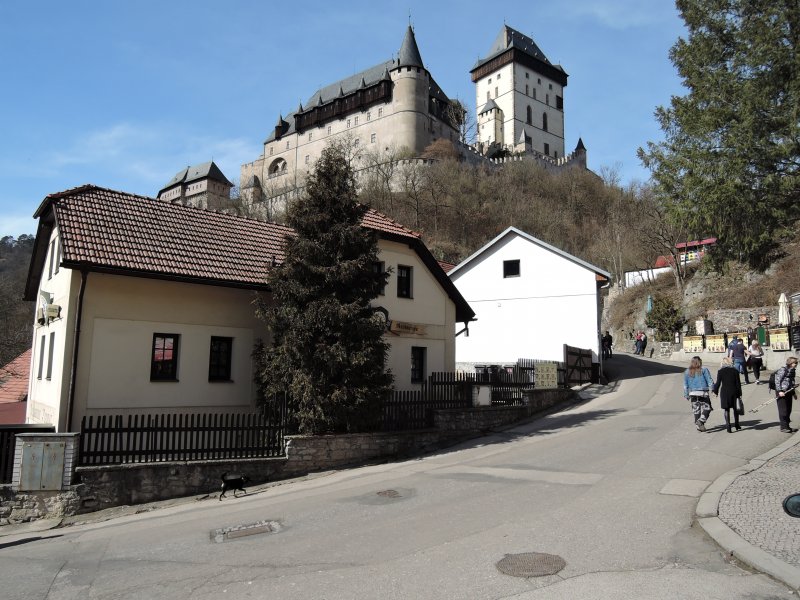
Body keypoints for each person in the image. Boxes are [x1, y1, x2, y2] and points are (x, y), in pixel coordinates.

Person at [684, 356, 715, 432]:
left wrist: (686, 394)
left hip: (693, 394)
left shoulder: (687, 371)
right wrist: (713, 389)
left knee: (696, 410)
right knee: (707, 408)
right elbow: (709, 380)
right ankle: (701, 421)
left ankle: (698, 426)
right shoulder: (704, 370)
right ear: (699, 362)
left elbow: (685, 385)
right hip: (703, 393)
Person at [713, 357, 742, 432]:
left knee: (726, 409)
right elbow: (738, 384)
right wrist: (740, 394)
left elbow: (718, 383)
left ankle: (728, 425)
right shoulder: (735, 371)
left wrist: (715, 391)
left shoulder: (720, 371)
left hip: (725, 392)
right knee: (736, 409)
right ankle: (737, 424)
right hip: (734, 391)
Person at [774, 356, 798, 433]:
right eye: (795, 363)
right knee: (783, 410)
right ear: (790, 363)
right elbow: (777, 381)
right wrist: (780, 391)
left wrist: (794, 393)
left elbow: (792, 382)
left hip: (789, 391)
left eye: (797, 363)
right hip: (781, 392)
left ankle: (787, 426)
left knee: (788, 410)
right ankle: (783, 427)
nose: (796, 364)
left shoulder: (793, 370)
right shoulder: (783, 369)